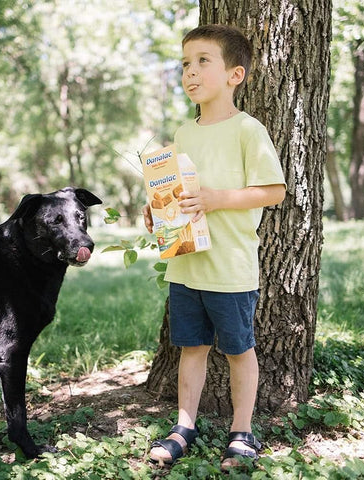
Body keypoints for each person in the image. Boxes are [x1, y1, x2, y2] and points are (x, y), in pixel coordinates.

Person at [143, 24, 286, 469]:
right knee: (191, 348)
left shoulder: (248, 129)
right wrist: (158, 210)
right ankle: (184, 426)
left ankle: (241, 432)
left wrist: (216, 199)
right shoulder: (184, 133)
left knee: (240, 350)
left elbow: (273, 190)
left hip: (230, 266)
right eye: (185, 63)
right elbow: (180, 190)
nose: (190, 72)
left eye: (203, 61)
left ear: (234, 75)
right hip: (187, 264)